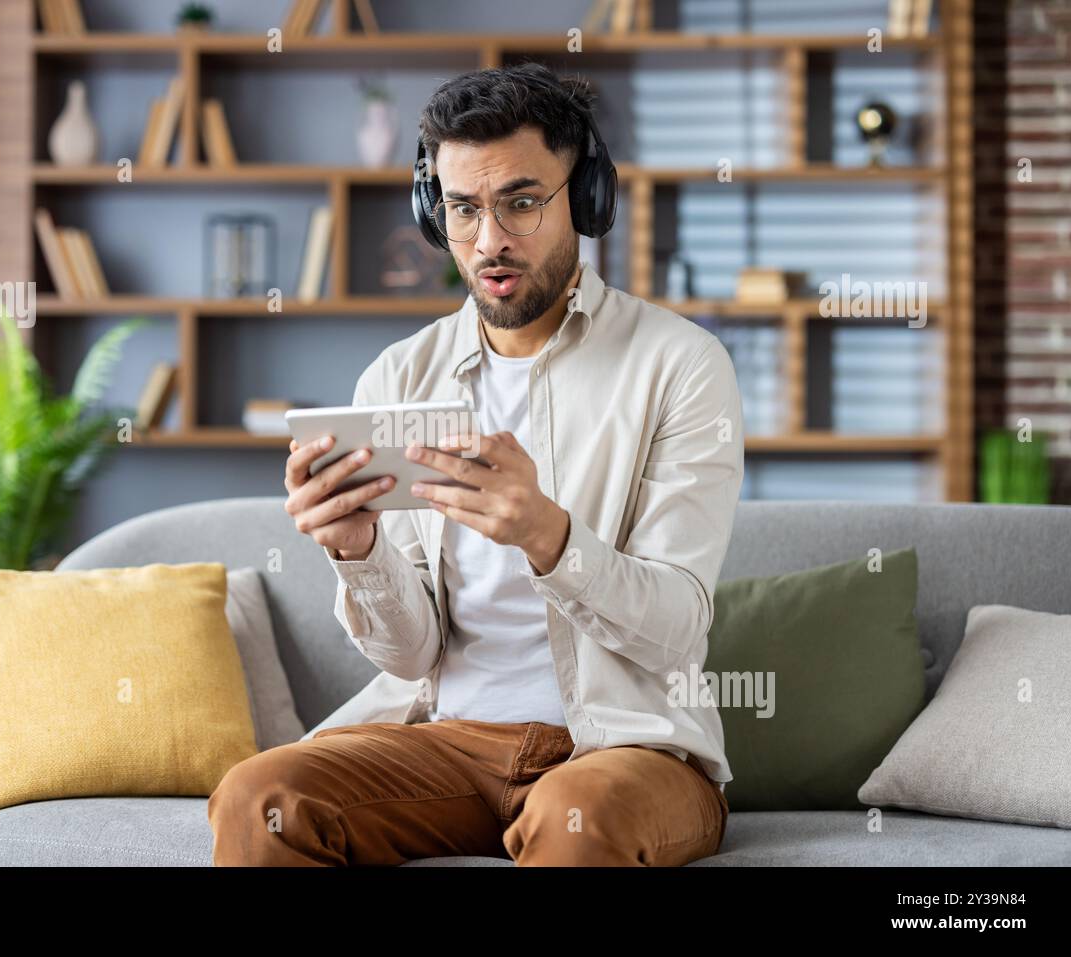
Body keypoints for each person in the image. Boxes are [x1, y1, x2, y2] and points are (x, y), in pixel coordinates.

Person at [208, 61, 744, 866]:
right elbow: (410, 656)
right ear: (436, 213)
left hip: (624, 751)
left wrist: (550, 538)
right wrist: (359, 553)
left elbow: (677, 626)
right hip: (447, 741)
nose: (490, 240)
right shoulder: (398, 378)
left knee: (580, 814)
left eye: (522, 202)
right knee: (261, 797)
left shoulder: (681, 364)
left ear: (587, 199)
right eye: (463, 209)